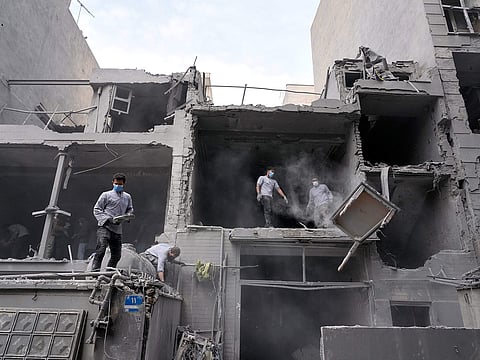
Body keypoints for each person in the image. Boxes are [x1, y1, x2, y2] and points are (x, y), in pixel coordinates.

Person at [92, 172, 134, 271]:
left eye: (120, 184)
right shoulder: (106, 195)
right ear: (112, 183)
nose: (117, 186)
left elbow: (130, 209)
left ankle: (109, 273)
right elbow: (97, 209)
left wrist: (127, 217)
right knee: (101, 249)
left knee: (116, 255)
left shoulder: (127, 197)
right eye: (116, 184)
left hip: (117, 230)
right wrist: (108, 219)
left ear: (124, 184)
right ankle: (94, 272)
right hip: (105, 227)